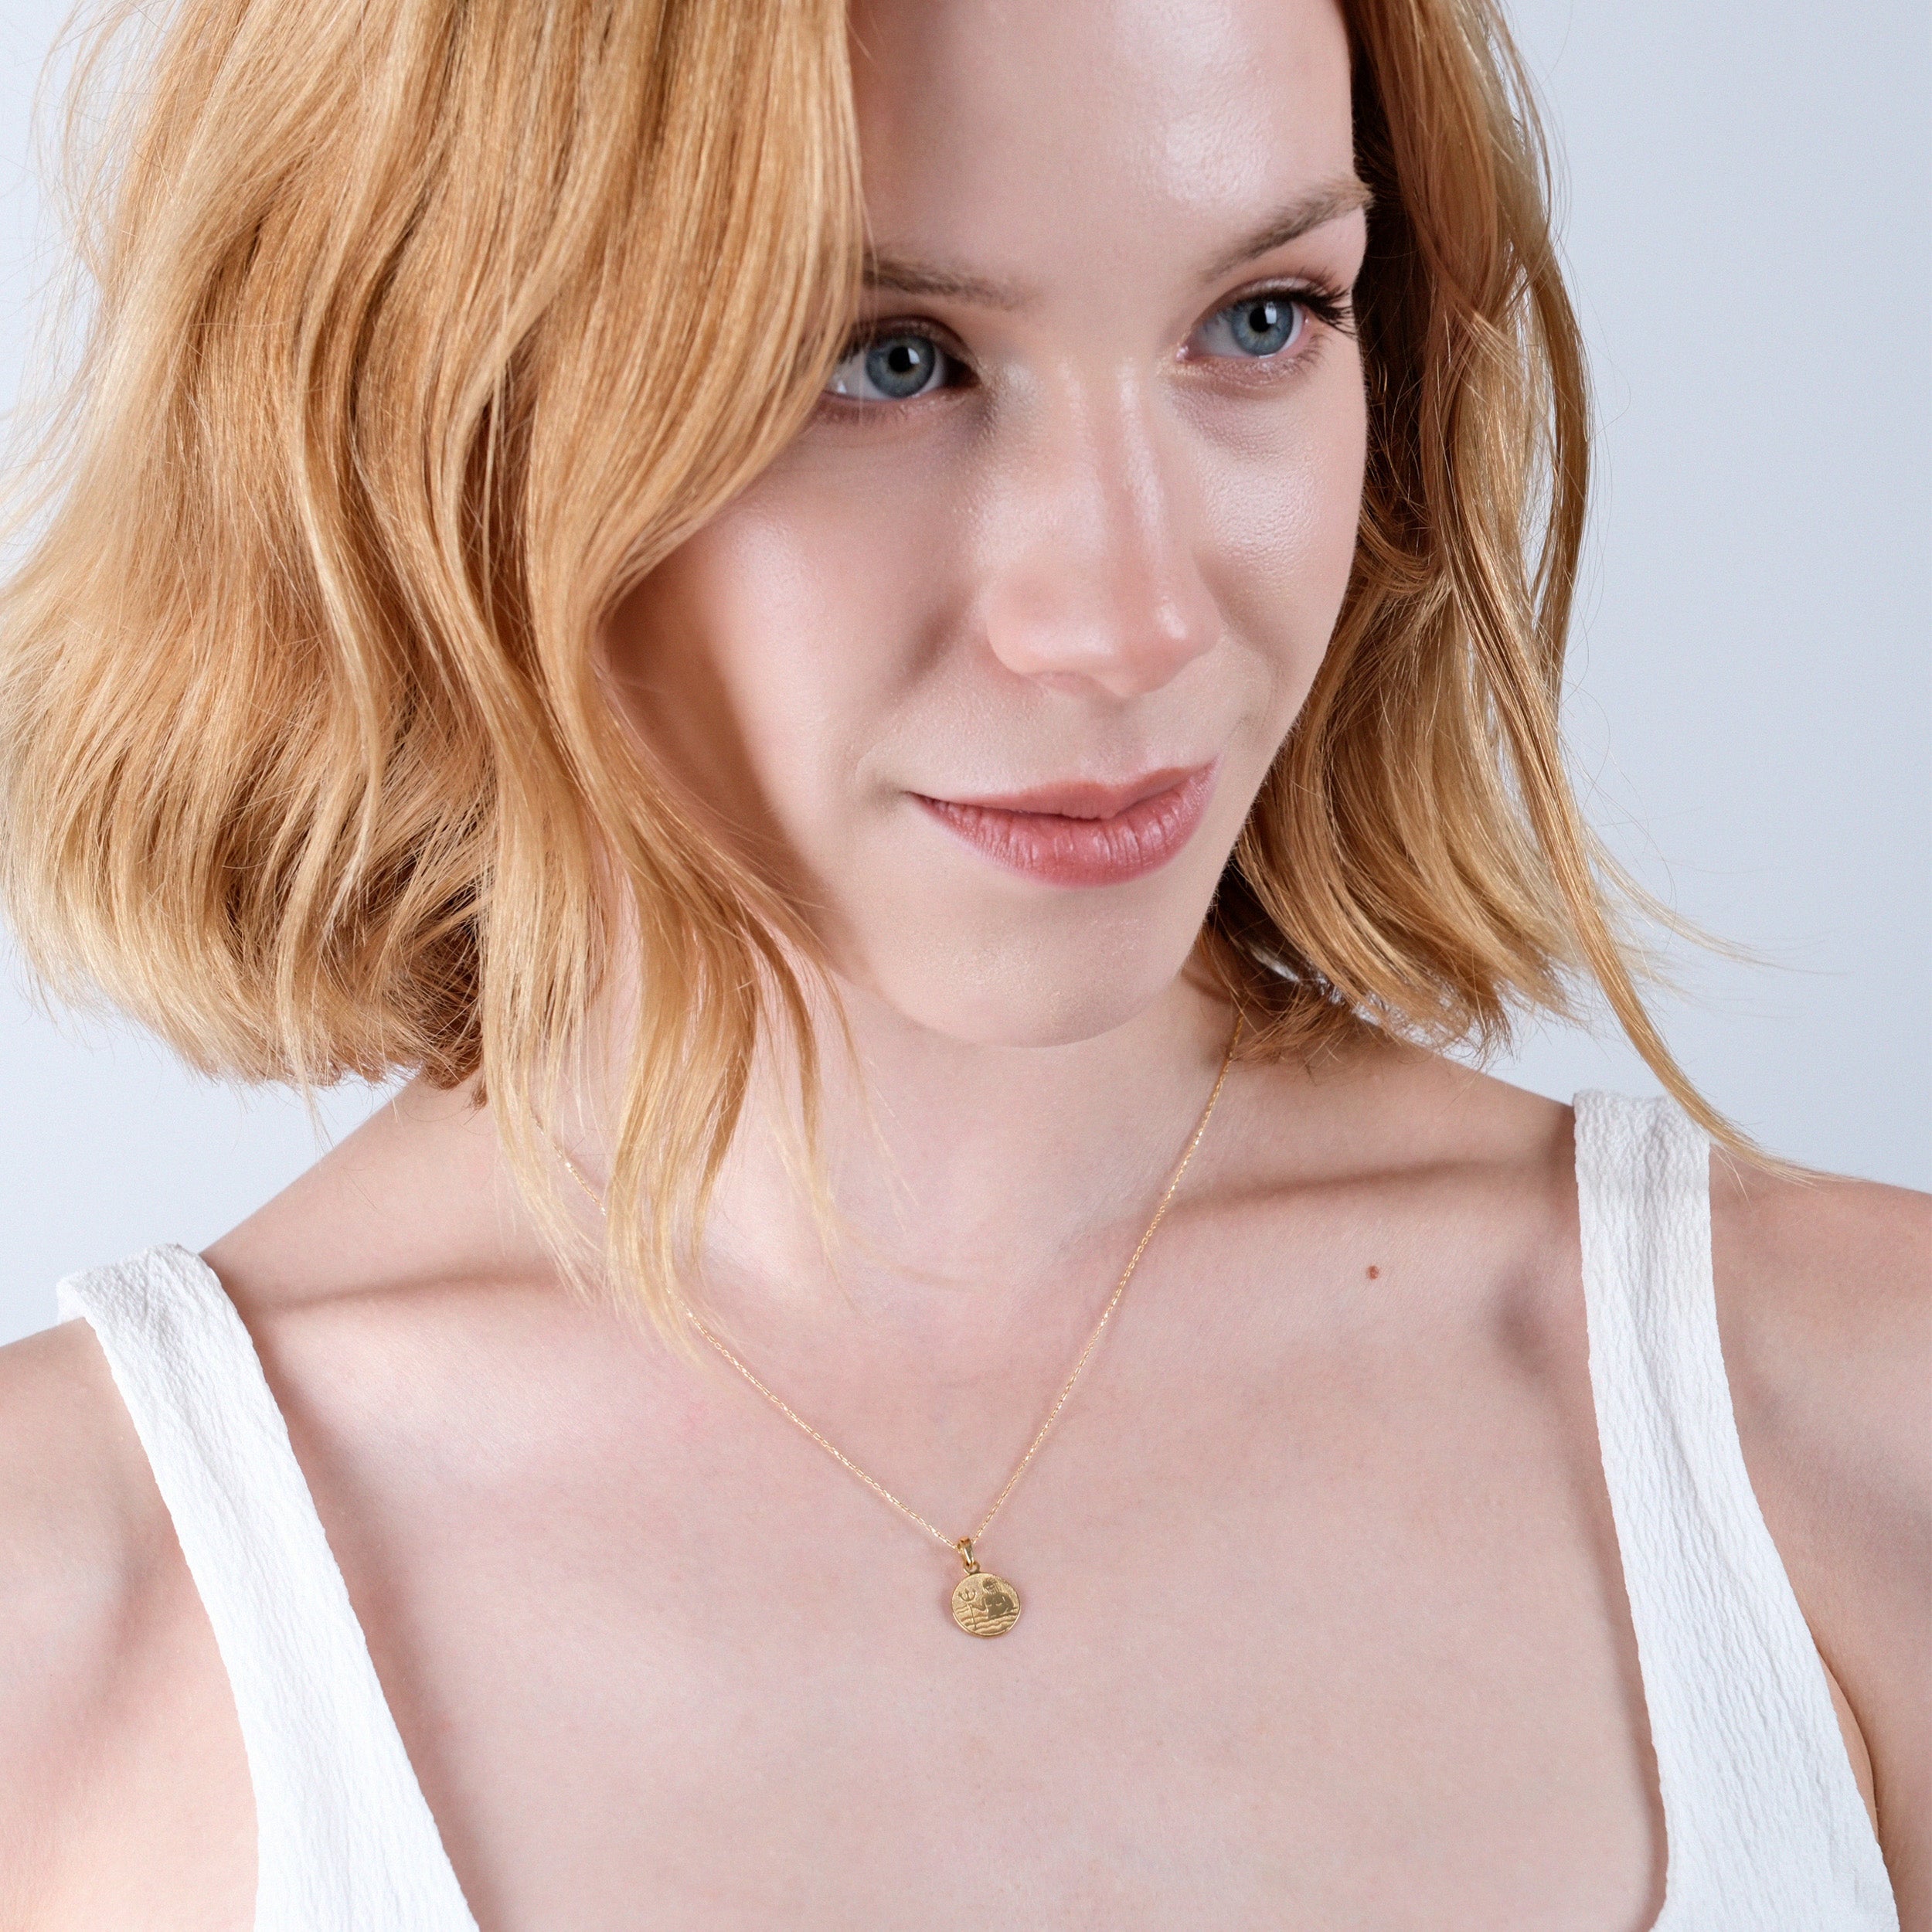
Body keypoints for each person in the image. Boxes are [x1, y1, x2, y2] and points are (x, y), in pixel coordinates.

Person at [0, 0, 1923, 1923]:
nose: (1128, 616)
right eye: (884, 360)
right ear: (415, 407)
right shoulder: (62, 1610)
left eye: (1257, 319)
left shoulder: (1849, 1407)